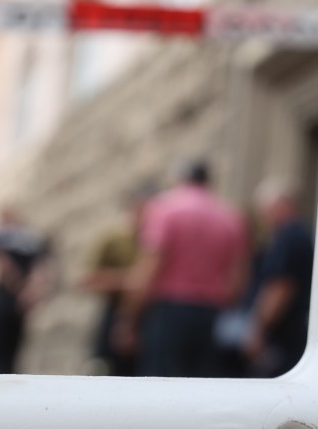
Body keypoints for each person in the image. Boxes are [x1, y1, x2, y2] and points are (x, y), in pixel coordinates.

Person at [118, 160, 248, 378]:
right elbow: (238, 279)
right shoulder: (231, 216)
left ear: (179, 179)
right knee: (201, 388)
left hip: (168, 311)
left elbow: (148, 269)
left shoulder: (164, 209)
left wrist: (128, 320)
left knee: (160, 386)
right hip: (210, 314)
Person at [79, 183, 154, 376]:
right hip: (114, 312)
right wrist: (126, 280)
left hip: (148, 316)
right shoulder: (113, 239)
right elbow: (86, 279)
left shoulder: (155, 242)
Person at [243, 177, 314, 377]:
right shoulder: (297, 234)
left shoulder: (290, 236)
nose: (263, 217)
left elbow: (280, 287)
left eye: (265, 209)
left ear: (283, 204)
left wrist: (257, 330)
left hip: (283, 338)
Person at [0, 208, 51, 374]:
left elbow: (3, 267)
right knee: (12, 349)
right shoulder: (31, 238)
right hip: (22, 298)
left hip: (7, 297)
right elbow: (41, 269)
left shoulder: (3, 237)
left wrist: (19, 289)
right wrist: (31, 292)